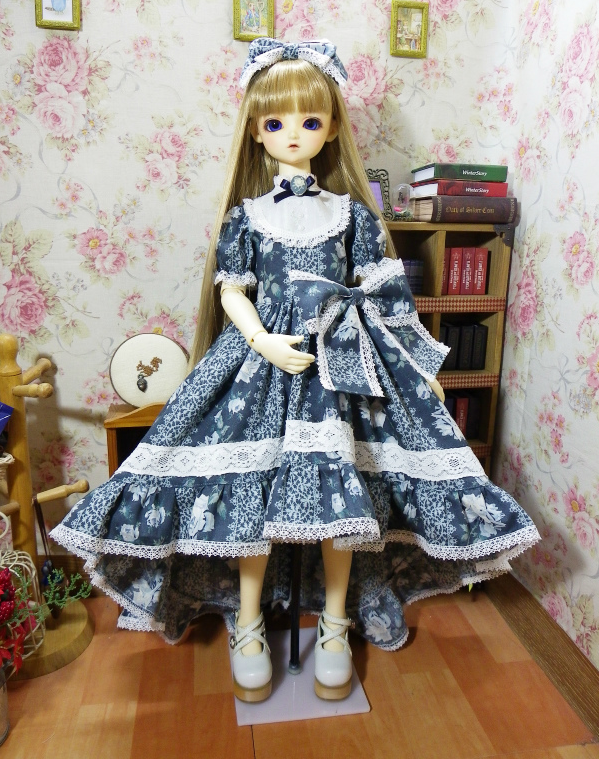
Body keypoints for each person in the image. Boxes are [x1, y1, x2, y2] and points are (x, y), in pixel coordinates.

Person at [51, 38, 539, 705]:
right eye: (276, 122)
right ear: (256, 131)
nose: (293, 134)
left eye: (310, 120)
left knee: (342, 502)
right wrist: (260, 339)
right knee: (248, 496)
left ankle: (335, 625)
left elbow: (384, 295)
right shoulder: (246, 217)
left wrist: (419, 368)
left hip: (339, 368)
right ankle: (249, 623)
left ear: (331, 128)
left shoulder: (353, 215)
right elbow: (232, 289)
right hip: (261, 367)